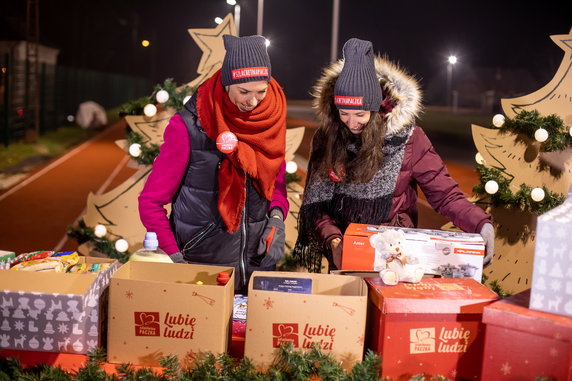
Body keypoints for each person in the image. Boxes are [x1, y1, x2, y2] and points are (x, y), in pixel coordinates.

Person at [293, 38, 494, 273]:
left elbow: (445, 195)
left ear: (375, 108)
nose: (351, 123)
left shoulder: (410, 139)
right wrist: (334, 242)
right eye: (343, 113)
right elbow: (317, 206)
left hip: (398, 257)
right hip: (346, 257)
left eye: (359, 114)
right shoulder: (327, 138)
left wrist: (481, 224)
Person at [138, 35, 289, 291]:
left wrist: (276, 218)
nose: (253, 102)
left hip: (257, 266)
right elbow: (150, 202)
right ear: (227, 83)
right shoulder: (188, 126)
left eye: (260, 92)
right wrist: (175, 257)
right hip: (202, 270)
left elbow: (276, 184)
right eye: (243, 92)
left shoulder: (270, 119)